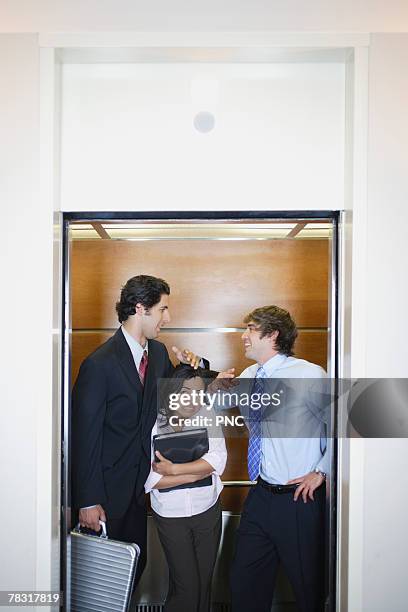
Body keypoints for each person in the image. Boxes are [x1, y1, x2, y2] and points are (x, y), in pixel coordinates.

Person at [71, 275, 206, 584]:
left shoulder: (157, 354)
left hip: (138, 491)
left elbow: (174, 399)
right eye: (163, 309)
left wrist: (197, 368)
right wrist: (87, 501)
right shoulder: (99, 364)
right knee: (104, 581)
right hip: (105, 496)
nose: (168, 318)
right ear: (140, 308)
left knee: (135, 569)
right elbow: (85, 438)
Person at [227, 305, 328, 612]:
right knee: (245, 585)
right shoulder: (248, 376)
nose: (243, 336)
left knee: (308, 587)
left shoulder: (310, 375)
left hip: (298, 499)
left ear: (272, 335)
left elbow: (340, 431)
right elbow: (214, 403)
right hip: (260, 495)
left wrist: (322, 471)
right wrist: (197, 371)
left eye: (251, 329)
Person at [144, 364, 227, 612]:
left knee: (202, 585)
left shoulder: (206, 414)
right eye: (186, 392)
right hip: (171, 517)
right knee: (187, 587)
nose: (193, 400)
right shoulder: (155, 422)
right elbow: (151, 480)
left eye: (199, 393)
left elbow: (217, 460)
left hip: (207, 510)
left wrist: (175, 471)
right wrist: (195, 474)